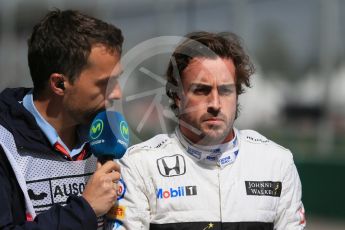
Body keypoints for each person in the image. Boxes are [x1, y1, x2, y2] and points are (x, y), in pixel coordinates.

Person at [115, 31, 306, 229]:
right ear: (177, 96)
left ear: (237, 95)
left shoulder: (276, 163)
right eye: (201, 90)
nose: (215, 103)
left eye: (225, 90)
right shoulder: (139, 165)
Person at [0, 9, 124, 229]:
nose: (117, 94)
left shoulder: (110, 136)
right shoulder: (4, 143)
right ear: (58, 84)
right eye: (105, 83)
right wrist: (84, 209)